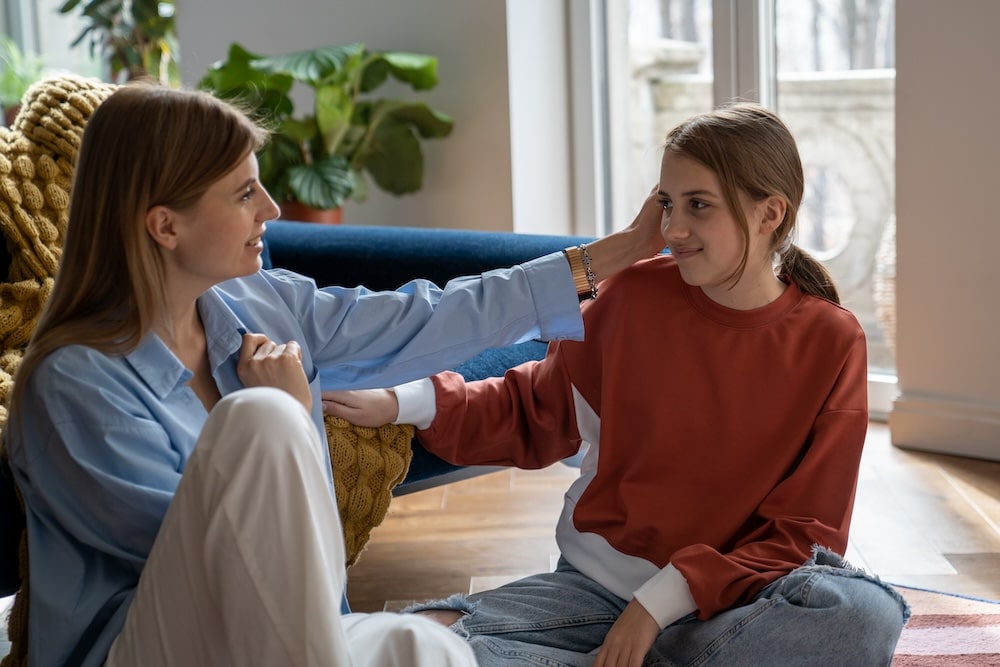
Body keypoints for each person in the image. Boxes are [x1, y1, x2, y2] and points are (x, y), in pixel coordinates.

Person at [0, 80, 667, 667]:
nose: (271, 207)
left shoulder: (260, 304)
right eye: (242, 192)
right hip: (145, 644)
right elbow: (225, 574)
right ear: (164, 226)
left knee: (429, 647)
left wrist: (618, 254)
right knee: (258, 419)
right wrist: (290, 410)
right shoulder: (75, 385)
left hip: (297, 631)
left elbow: (427, 318)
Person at [323, 103, 911, 666]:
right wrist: (404, 402)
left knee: (862, 614)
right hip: (592, 592)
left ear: (769, 213)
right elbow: (534, 408)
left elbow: (805, 534)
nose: (673, 228)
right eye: (666, 202)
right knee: (414, 643)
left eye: (698, 205)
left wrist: (657, 608)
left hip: (735, 603)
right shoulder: (631, 296)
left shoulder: (832, 342)